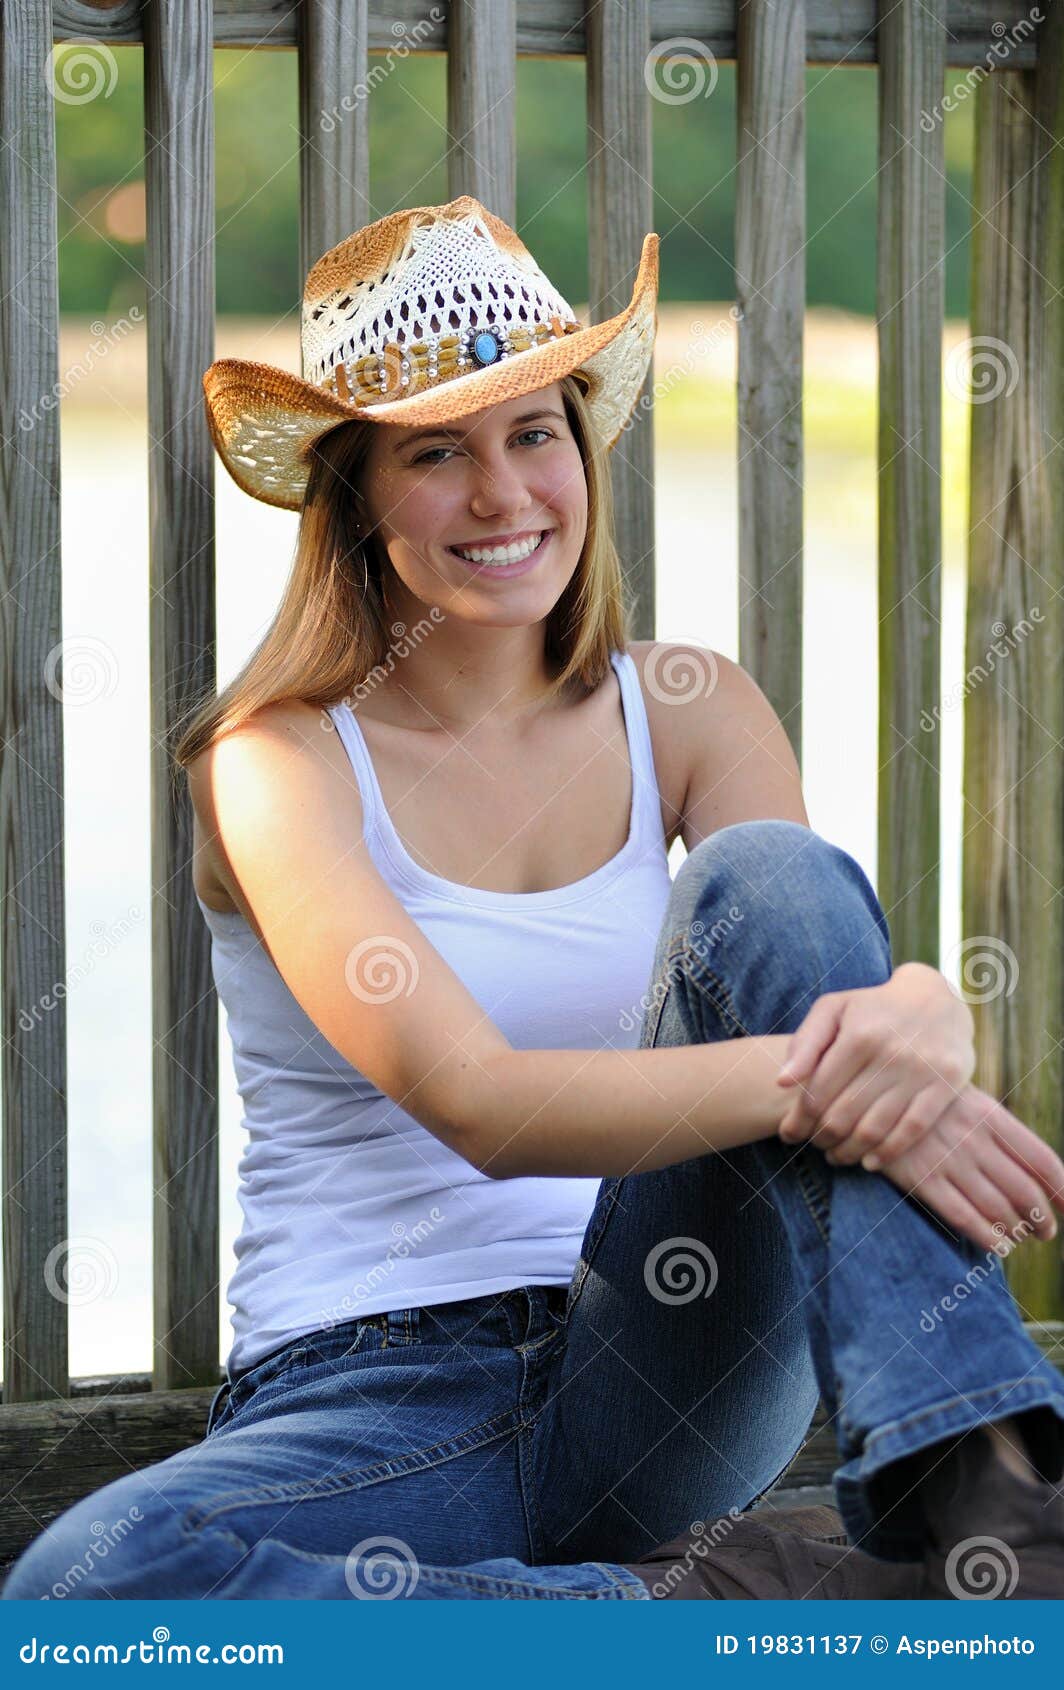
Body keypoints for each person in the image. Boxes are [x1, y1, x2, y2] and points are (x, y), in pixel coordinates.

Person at [5, 196, 1063, 1603]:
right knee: (83, 1590)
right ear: (357, 499)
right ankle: (710, 1603)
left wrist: (919, 1006)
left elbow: (805, 954)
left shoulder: (689, 709)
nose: (503, 495)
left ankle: (995, 1484)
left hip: (668, 1347)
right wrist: (849, 1062)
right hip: (380, 1406)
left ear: (583, 449)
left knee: (772, 877)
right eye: (436, 451)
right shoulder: (277, 760)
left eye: (533, 432)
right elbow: (481, 1100)